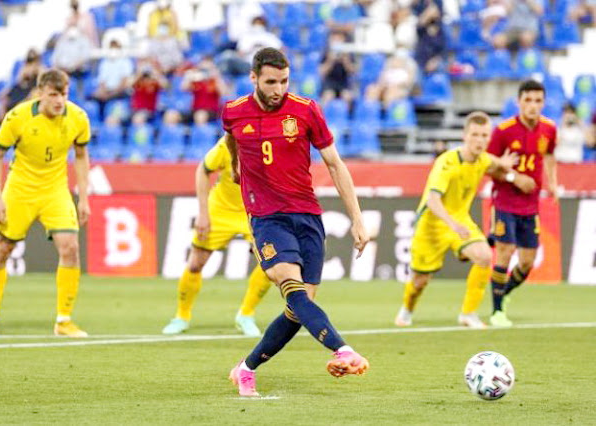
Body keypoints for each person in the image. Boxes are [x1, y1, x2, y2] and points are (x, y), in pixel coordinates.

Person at [223, 47, 370, 397]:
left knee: (298, 307)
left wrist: (357, 218)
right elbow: (231, 139)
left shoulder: (305, 110)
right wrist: (234, 167)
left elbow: (335, 164)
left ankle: (245, 368)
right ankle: (342, 349)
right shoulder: (232, 112)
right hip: (265, 217)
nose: (278, 89)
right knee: (292, 287)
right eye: (271, 82)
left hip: (307, 214)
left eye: (284, 81)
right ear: (253, 77)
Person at [0, 69, 91, 337]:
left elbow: (82, 155)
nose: (59, 101)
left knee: (70, 248)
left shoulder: (78, 118)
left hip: (55, 190)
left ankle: (64, 321)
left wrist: (83, 197)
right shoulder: (17, 117)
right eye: (53, 95)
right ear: (40, 93)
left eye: (63, 94)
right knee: (2, 248)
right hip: (20, 190)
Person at [394, 111, 536, 329]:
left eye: (484, 135)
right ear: (464, 135)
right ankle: (407, 309)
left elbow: (494, 164)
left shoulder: (483, 159)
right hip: (432, 225)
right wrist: (452, 224)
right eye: (475, 135)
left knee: (484, 256)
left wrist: (508, 169)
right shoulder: (447, 163)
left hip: (460, 221)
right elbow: (432, 200)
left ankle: (468, 314)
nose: (479, 140)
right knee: (420, 282)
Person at [162, 137, 273, 337]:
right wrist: (203, 213)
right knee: (196, 263)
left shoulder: (271, 145)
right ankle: (181, 316)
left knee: (270, 262)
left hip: (256, 210)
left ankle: (246, 315)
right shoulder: (227, 145)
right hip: (220, 210)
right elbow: (203, 171)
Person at [487, 79, 558, 327]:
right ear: (519, 102)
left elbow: (549, 155)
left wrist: (553, 184)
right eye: (528, 100)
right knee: (505, 252)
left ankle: (503, 293)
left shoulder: (549, 128)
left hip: (531, 205)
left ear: (543, 103)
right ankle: (496, 312)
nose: (533, 106)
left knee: (527, 262)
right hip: (505, 200)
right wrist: (513, 177)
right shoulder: (503, 131)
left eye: (538, 101)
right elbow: (489, 166)